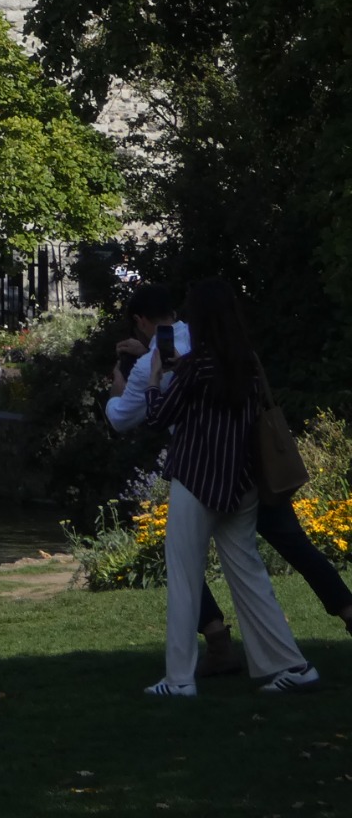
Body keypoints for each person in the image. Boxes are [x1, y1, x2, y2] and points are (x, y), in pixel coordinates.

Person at [107, 282, 352, 673]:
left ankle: (210, 646)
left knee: (184, 561)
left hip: (203, 473)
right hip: (251, 469)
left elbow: (134, 417)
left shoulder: (174, 363)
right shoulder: (238, 355)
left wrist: (133, 383)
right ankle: (331, 625)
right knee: (285, 549)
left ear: (140, 320)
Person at [142, 277, 319, 698]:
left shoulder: (196, 367)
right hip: (242, 482)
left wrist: (154, 380)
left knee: (184, 577)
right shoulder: (248, 363)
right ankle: (292, 665)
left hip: (197, 480)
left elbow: (158, 417)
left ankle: (179, 679)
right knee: (249, 574)